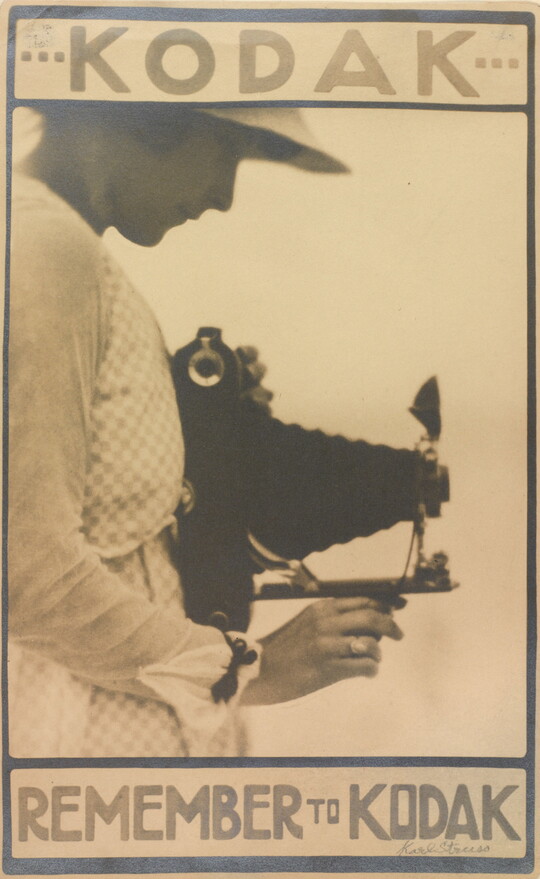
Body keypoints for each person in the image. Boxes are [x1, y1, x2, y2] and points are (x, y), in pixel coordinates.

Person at [8, 103, 419, 758]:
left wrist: (185, 412)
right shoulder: (47, 248)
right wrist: (248, 666)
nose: (225, 198)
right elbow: (27, 573)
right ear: (137, 116)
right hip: (78, 748)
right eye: (227, 151)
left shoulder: (52, 245)